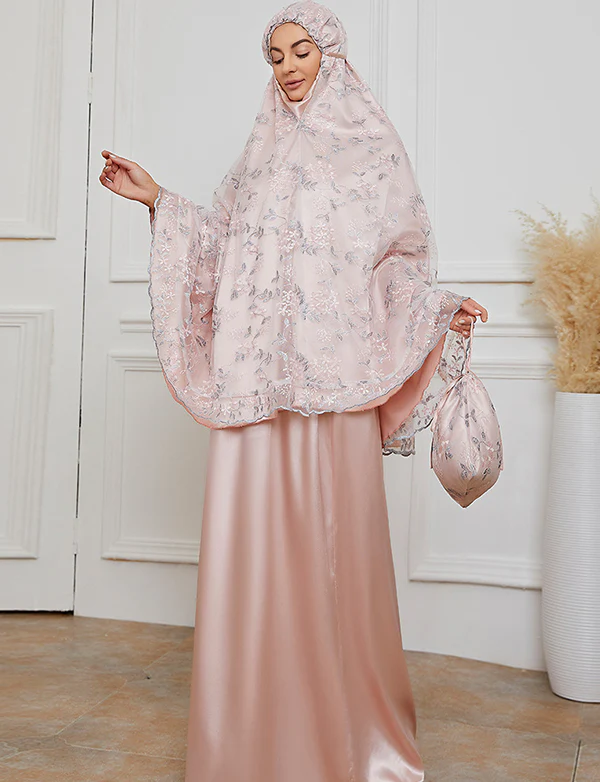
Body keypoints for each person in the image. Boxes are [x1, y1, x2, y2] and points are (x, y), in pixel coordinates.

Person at [99, 2, 488, 780]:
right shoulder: (258, 158)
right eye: (275, 56)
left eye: (301, 50)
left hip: (333, 388)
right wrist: (158, 199)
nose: (287, 67)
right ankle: (248, 743)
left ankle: (349, 740)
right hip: (255, 388)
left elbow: (398, 261)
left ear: (331, 54)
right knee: (253, 562)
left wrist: (437, 308)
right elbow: (219, 247)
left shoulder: (372, 154)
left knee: (334, 556)